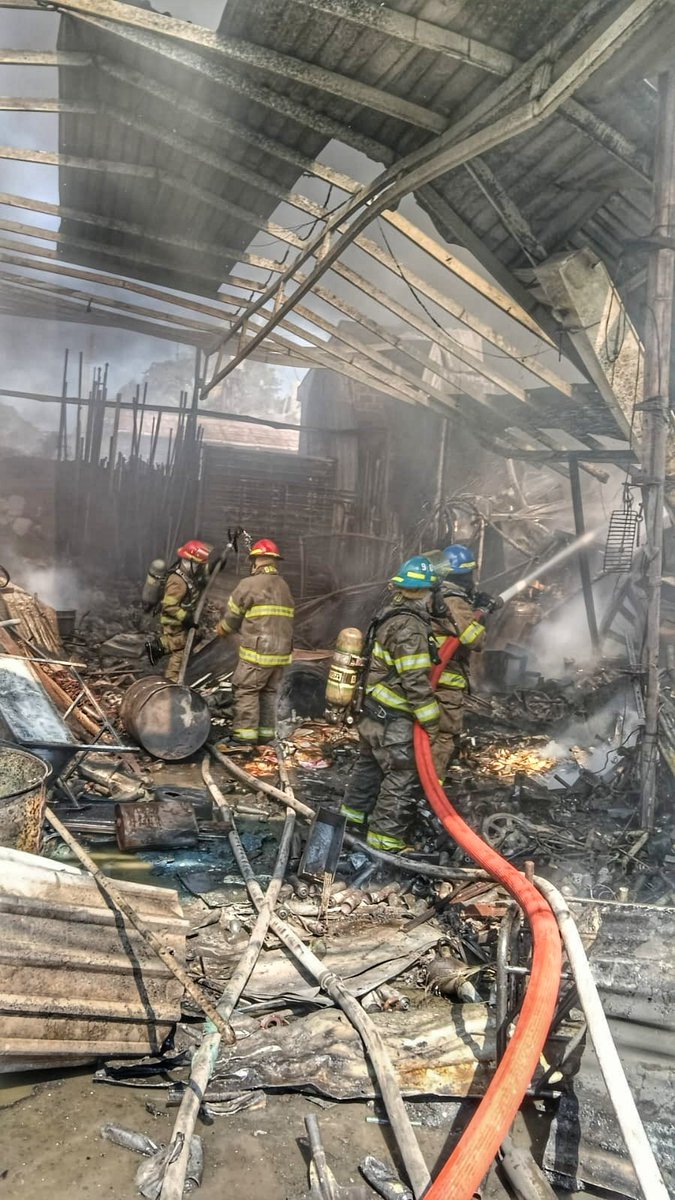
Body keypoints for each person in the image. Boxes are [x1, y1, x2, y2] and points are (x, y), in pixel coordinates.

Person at [340, 555, 441, 852]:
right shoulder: (410, 627)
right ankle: (385, 841)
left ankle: (352, 820)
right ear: (426, 591)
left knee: (369, 766)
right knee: (401, 774)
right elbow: (414, 680)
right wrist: (431, 720)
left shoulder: (390, 614)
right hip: (393, 717)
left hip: (373, 710)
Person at [216, 538, 294, 748]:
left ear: (257, 560)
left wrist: (223, 628)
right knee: (268, 692)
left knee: (246, 689)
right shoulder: (284, 586)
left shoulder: (249, 584)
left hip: (259, 651)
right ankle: (265, 736)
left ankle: (243, 738)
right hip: (281, 654)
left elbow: (233, 616)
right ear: (274, 561)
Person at [431, 543, 486, 779]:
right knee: (444, 735)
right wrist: (481, 614)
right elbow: (475, 640)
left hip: (425, 677)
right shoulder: (454, 600)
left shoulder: (434, 593)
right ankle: (430, 792)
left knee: (425, 732)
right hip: (443, 681)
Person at [157, 539, 211, 682]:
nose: (200, 568)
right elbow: (168, 606)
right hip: (174, 623)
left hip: (181, 622)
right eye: (198, 565)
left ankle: (162, 651)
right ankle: (171, 683)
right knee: (180, 653)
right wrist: (185, 617)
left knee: (194, 639)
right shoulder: (177, 581)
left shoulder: (187, 576)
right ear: (190, 562)